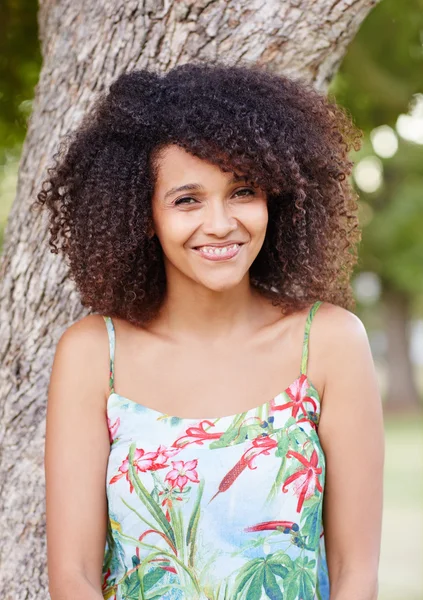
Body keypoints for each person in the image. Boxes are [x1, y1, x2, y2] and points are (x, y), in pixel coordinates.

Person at [35, 61, 384, 600]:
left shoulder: (331, 344)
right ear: (140, 213)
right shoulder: (91, 355)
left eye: (243, 190)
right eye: (187, 199)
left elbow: (355, 572)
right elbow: (73, 577)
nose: (221, 223)